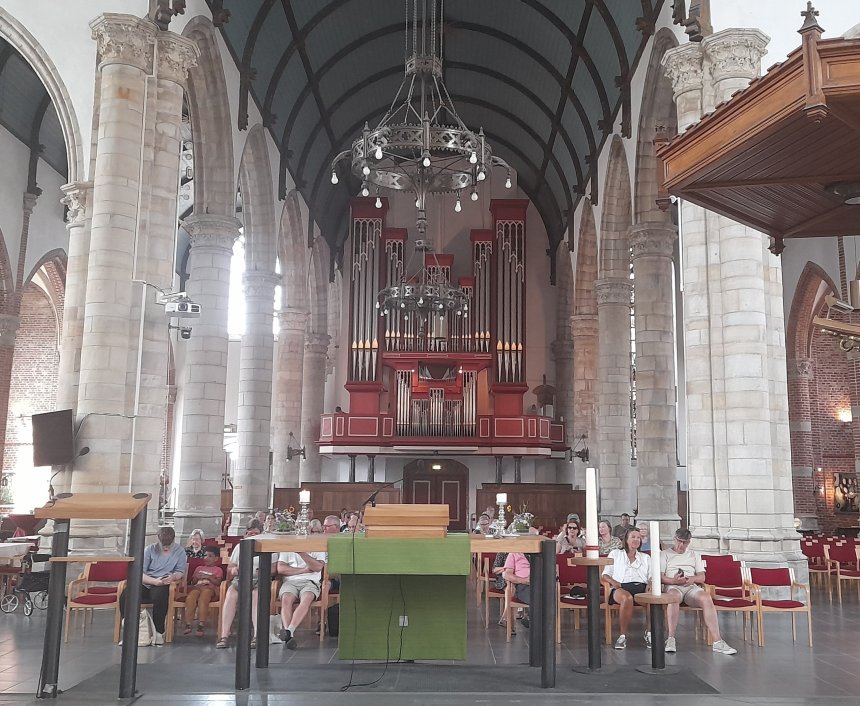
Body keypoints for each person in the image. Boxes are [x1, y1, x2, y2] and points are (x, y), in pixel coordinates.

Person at [661, 528, 737, 655]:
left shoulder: (694, 555)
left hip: (690, 586)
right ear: (674, 539)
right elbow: (661, 577)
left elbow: (702, 577)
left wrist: (692, 579)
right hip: (673, 586)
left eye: (685, 542)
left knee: (706, 598)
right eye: (679, 541)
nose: (681, 545)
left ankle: (717, 641)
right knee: (673, 597)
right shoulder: (664, 554)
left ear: (689, 542)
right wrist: (673, 580)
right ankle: (671, 638)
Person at [120, 526, 187, 645]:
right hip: (148, 581)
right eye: (163, 545)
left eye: (168, 545)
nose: (165, 548)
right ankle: (128, 630)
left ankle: (158, 632)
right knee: (126, 594)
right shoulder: (149, 550)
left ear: (173, 540)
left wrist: (173, 577)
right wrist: (154, 581)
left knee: (160, 596)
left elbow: (180, 571)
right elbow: (140, 573)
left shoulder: (180, 551)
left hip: (164, 582)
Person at [216, 520, 265, 649]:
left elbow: (274, 568)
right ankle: (224, 636)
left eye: (255, 533)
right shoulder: (240, 547)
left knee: (256, 596)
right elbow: (230, 567)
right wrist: (234, 570)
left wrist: (263, 570)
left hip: (259, 579)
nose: (252, 536)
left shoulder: (266, 547)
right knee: (230, 595)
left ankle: (257, 635)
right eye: (250, 533)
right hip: (241, 578)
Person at [602, 527, 651, 649]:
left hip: (641, 587)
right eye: (633, 537)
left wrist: (650, 584)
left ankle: (649, 633)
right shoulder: (615, 554)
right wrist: (613, 582)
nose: (636, 540)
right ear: (626, 540)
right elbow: (605, 574)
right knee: (627, 598)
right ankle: (622, 636)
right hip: (620, 587)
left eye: (638, 538)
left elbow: (651, 576)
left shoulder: (645, 557)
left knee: (652, 599)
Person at [277, 549, 326, 649]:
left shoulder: (317, 547)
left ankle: (289, 631)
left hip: (310, 581)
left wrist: (301, 553)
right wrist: (304, 570)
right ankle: (289, 633)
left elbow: (318, 567)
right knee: (286, 600)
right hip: (290, 581)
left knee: (306, 599)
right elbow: (281, 569)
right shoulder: (288, 547)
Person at [182, 545, 224, 637]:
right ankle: (188, 623)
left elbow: (218, 582)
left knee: (203, 598)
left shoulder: (218, 569)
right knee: (190, 598)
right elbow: (193, 582)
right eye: (205, 555)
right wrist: (196, 577)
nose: (206, 558)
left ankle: (201, 623)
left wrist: (209, 577)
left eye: (210, 556)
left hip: (209, 589)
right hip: (197, 588)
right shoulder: (199, 568)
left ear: (216, 558)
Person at [502, 552, 530, 628]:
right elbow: (507, 574)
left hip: (541, 583)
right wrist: (524, 580)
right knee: (534, 594)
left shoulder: (540, 552)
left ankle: (531, 617)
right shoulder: (514, 553)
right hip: (523, 585)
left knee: (547, 594)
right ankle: (532, 617)